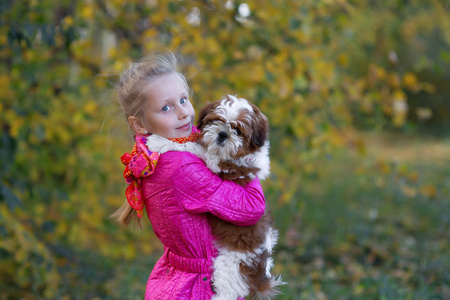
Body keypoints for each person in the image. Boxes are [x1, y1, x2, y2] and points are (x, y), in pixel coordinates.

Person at [111, 51, 266, 300]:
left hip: (176, 280)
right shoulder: (180, 168)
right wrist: (245, 158)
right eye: (166, 108)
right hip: (199, 288)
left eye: (183, 100)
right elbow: (252, 207)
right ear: (139, 124)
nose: (183, 113)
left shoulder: (160, 150)